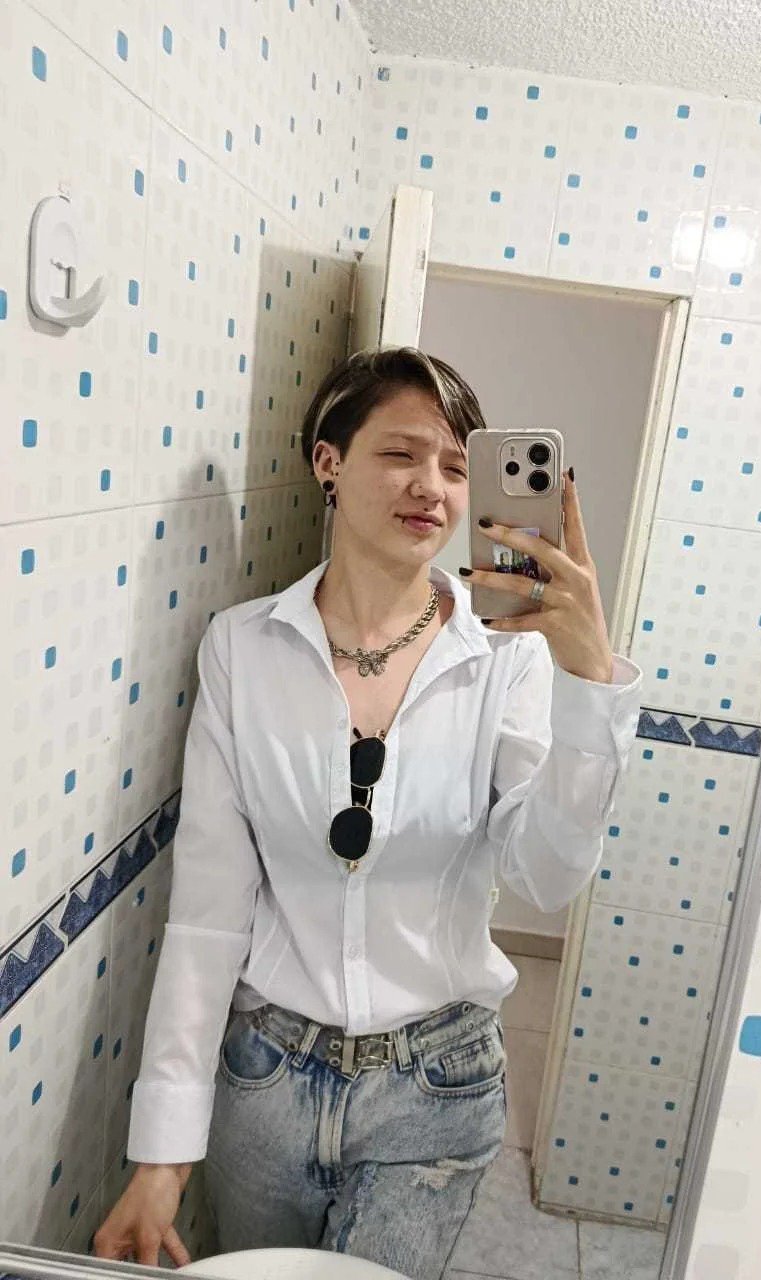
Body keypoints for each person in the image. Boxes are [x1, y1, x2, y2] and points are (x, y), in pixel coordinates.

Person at [94, 347, 643, 1278]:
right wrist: (163, 1155)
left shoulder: (505, 656)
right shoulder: (242, 650)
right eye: (400, 453)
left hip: (437, 1087)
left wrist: (589, 680)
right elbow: (208, 915)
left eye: (457, 467)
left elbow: (548, 877)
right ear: (329, 462)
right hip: (263, 1082)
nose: (432, 486)